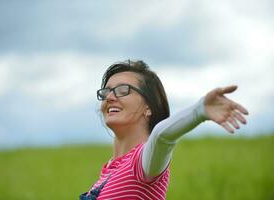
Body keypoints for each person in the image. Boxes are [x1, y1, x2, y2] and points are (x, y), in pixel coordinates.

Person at [79, 60, 249, 200]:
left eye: (123, 90)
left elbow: (162, 137)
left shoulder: (142, 164)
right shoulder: (109, 170)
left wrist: (200, 110)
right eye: (106, 91)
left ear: (148, 107)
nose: (109, 97)